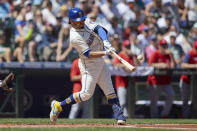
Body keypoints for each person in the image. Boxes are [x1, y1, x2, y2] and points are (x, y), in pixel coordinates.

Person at [49, 8, 126, 125]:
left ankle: (120, 116)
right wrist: (105, 53)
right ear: (71, 21)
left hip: (100, 61)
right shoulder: (74, 37)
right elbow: (88, 54)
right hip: (88, 64)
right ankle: (58, 105)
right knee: (86, 94)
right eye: (78, 21)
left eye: (82, 20)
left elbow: (100, 29)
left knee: (109, 89)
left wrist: (105, 42)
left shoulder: (86, 22)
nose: (81, 22)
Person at [147, 39, 176, 118]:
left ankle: (164, 114)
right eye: (162, 46)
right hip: (155, 81)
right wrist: (160, 64)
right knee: (154, 101)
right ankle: (154, 118)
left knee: (171, 95)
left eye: (165, 45)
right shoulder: (155, 53)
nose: (164, 47)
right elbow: (150, 64)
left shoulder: (168, 55)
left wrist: (172, 55)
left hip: (166, 81)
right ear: (159, 46)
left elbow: (173, 66)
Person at [113, 40, 139, 118]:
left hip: (131, 82)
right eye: (126, 47)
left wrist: (134, 56)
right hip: (121, 81)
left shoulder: (132, 56)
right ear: (123, 47)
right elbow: (115, 64)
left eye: (129, 47)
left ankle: (125, 116)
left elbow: (137, 65)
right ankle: (118, 115)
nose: (127, 48)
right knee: (122, 102)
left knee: (131, 101)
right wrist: (124, 66)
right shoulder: (120, 55)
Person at [180, 41, 197, 118]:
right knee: (185, 100)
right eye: (196, 48)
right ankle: (185, 117)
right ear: (193, 47)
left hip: (195, 82)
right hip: (186, 80)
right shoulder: (189, 54)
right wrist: (194, 66)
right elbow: (183, 65)